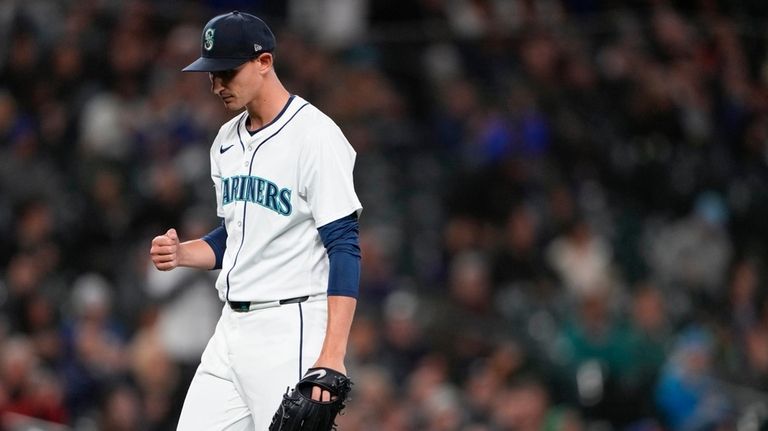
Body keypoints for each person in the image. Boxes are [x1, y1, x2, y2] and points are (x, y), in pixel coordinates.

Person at [149, 11, 362, 430]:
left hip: (291, 324)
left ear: (264, 62)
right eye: (211, 74)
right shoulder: (224, 141)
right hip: (230, 327)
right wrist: (182, 253)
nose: (216, 85)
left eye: (226, 72)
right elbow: (238, 235)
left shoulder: (315, 136)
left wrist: (332, 354)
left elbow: (344, 245)